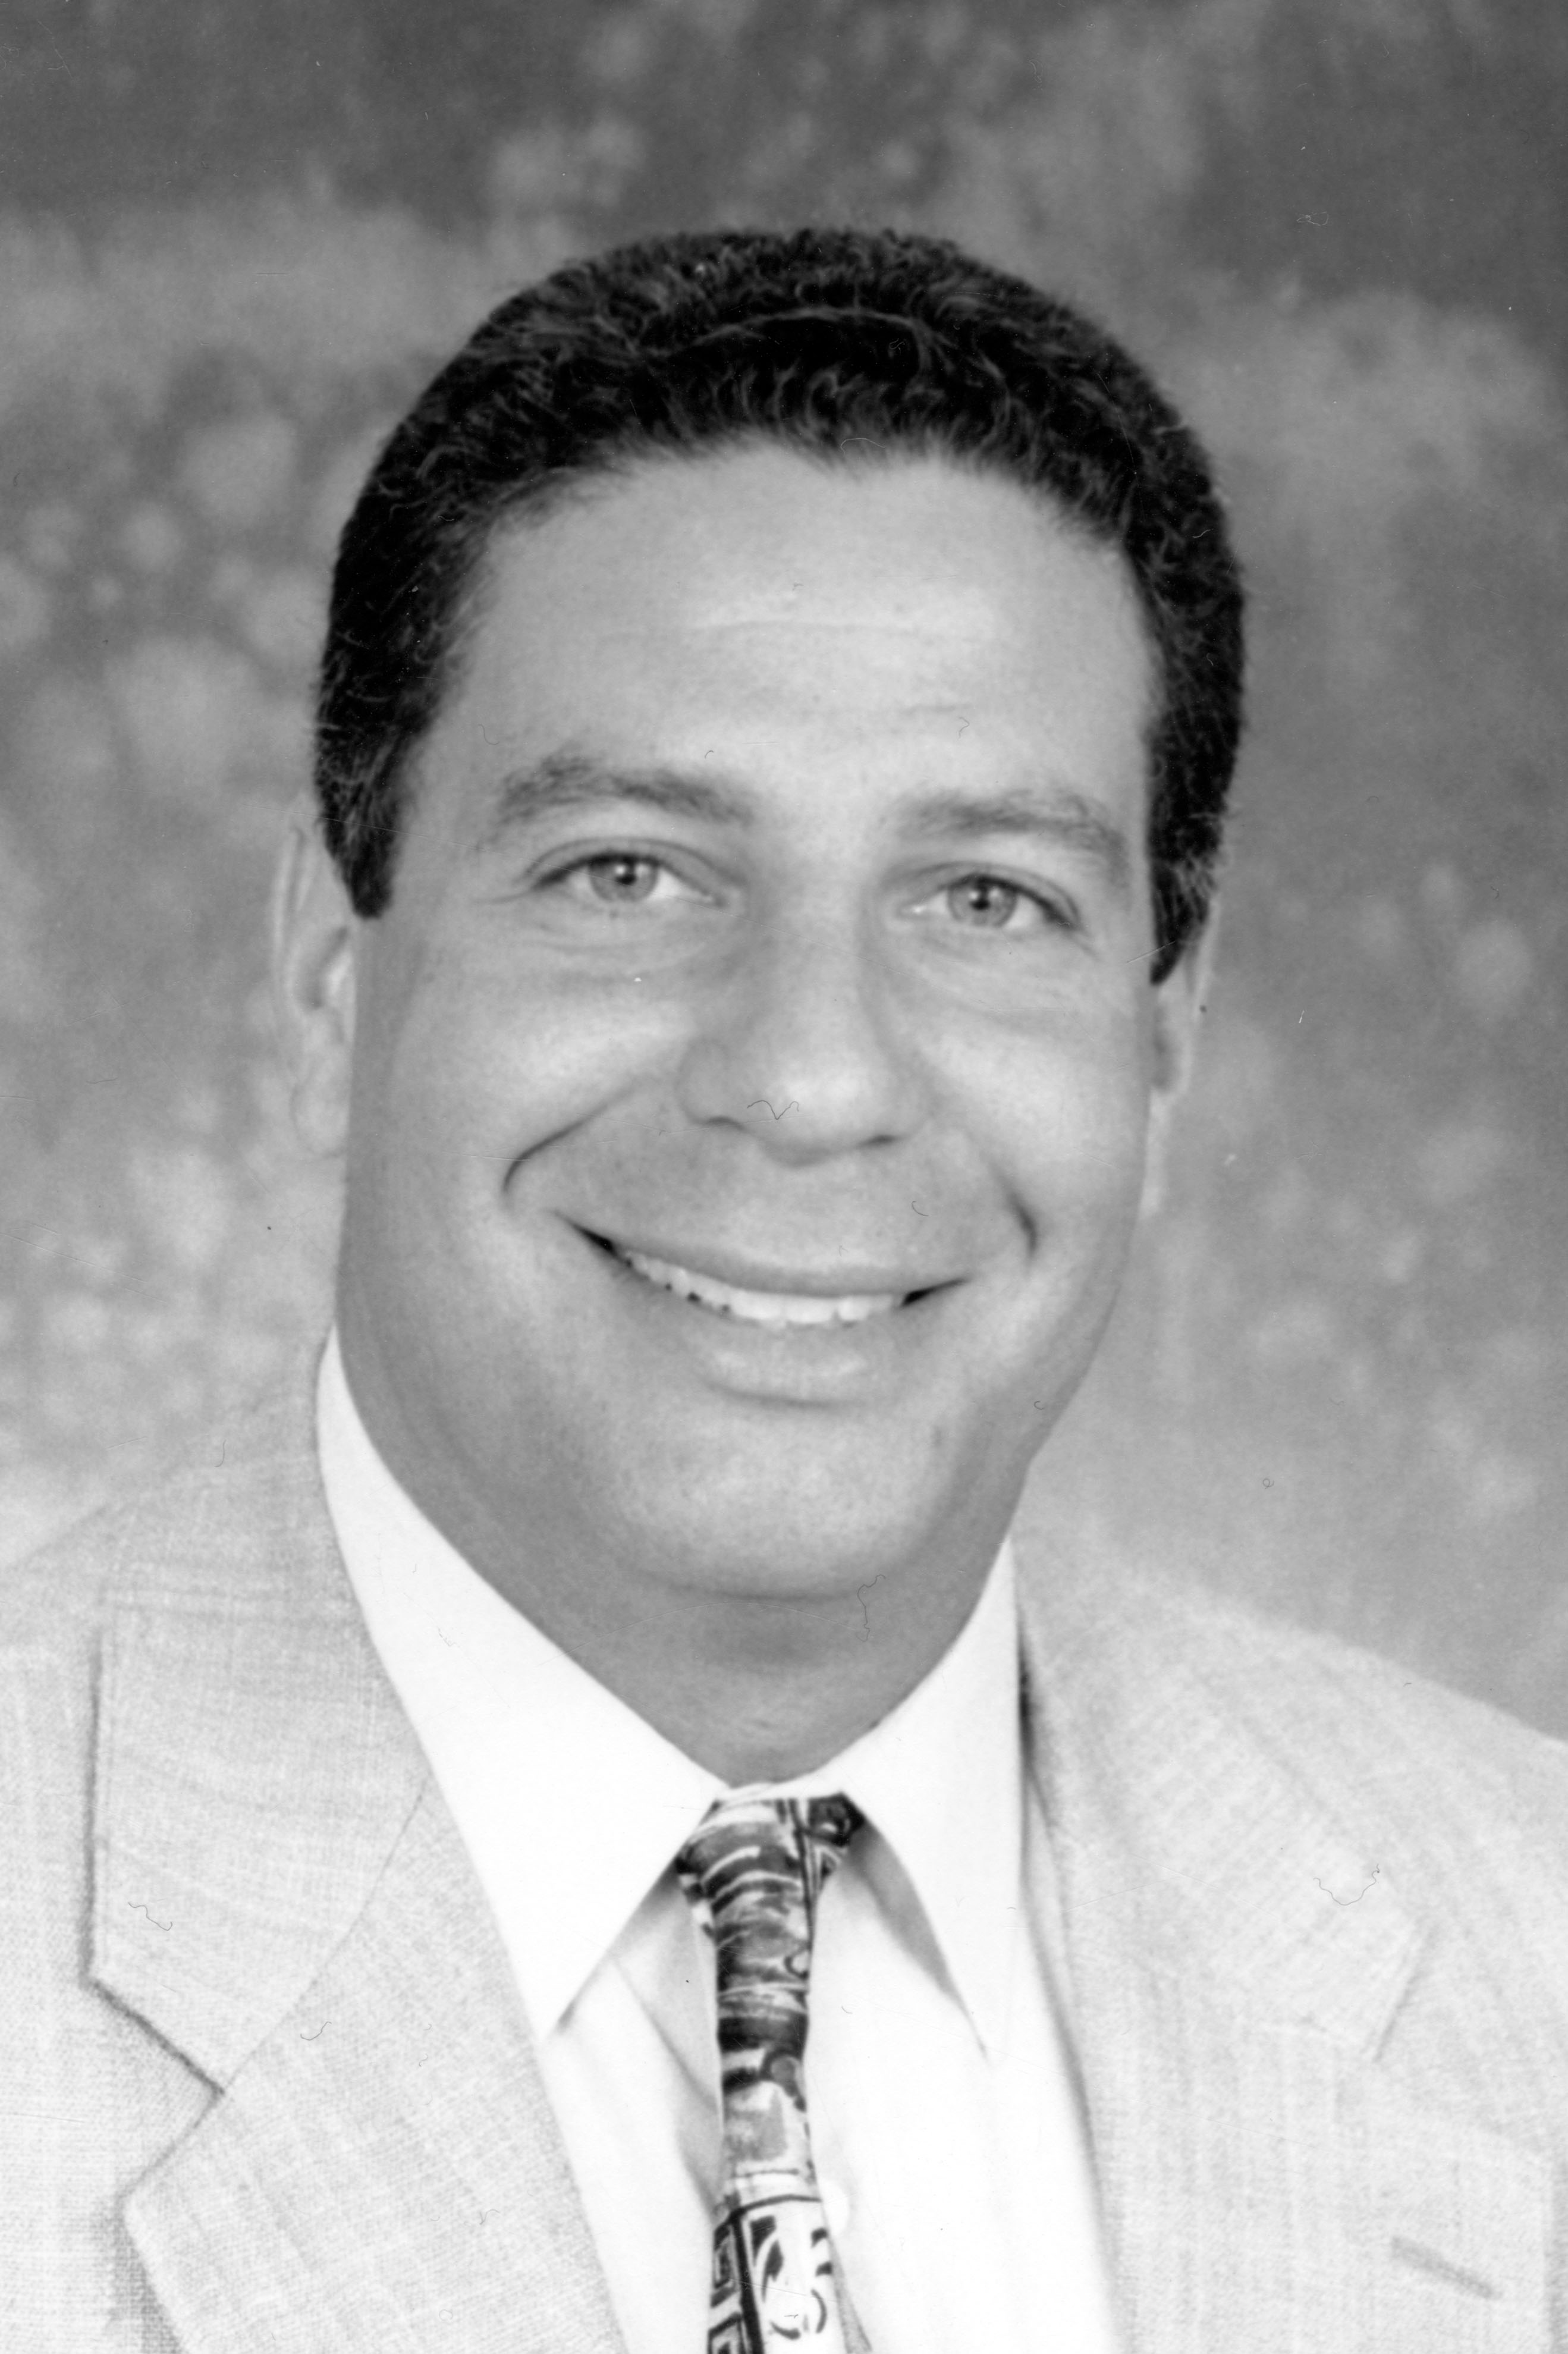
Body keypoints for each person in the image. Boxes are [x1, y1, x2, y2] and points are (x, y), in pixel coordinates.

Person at [4, 225, 1567, 2354]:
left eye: (987, 898)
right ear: (324, 974)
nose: (814, 1078)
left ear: (1166, 1033)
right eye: (628, 873)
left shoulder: (1528, 1944)